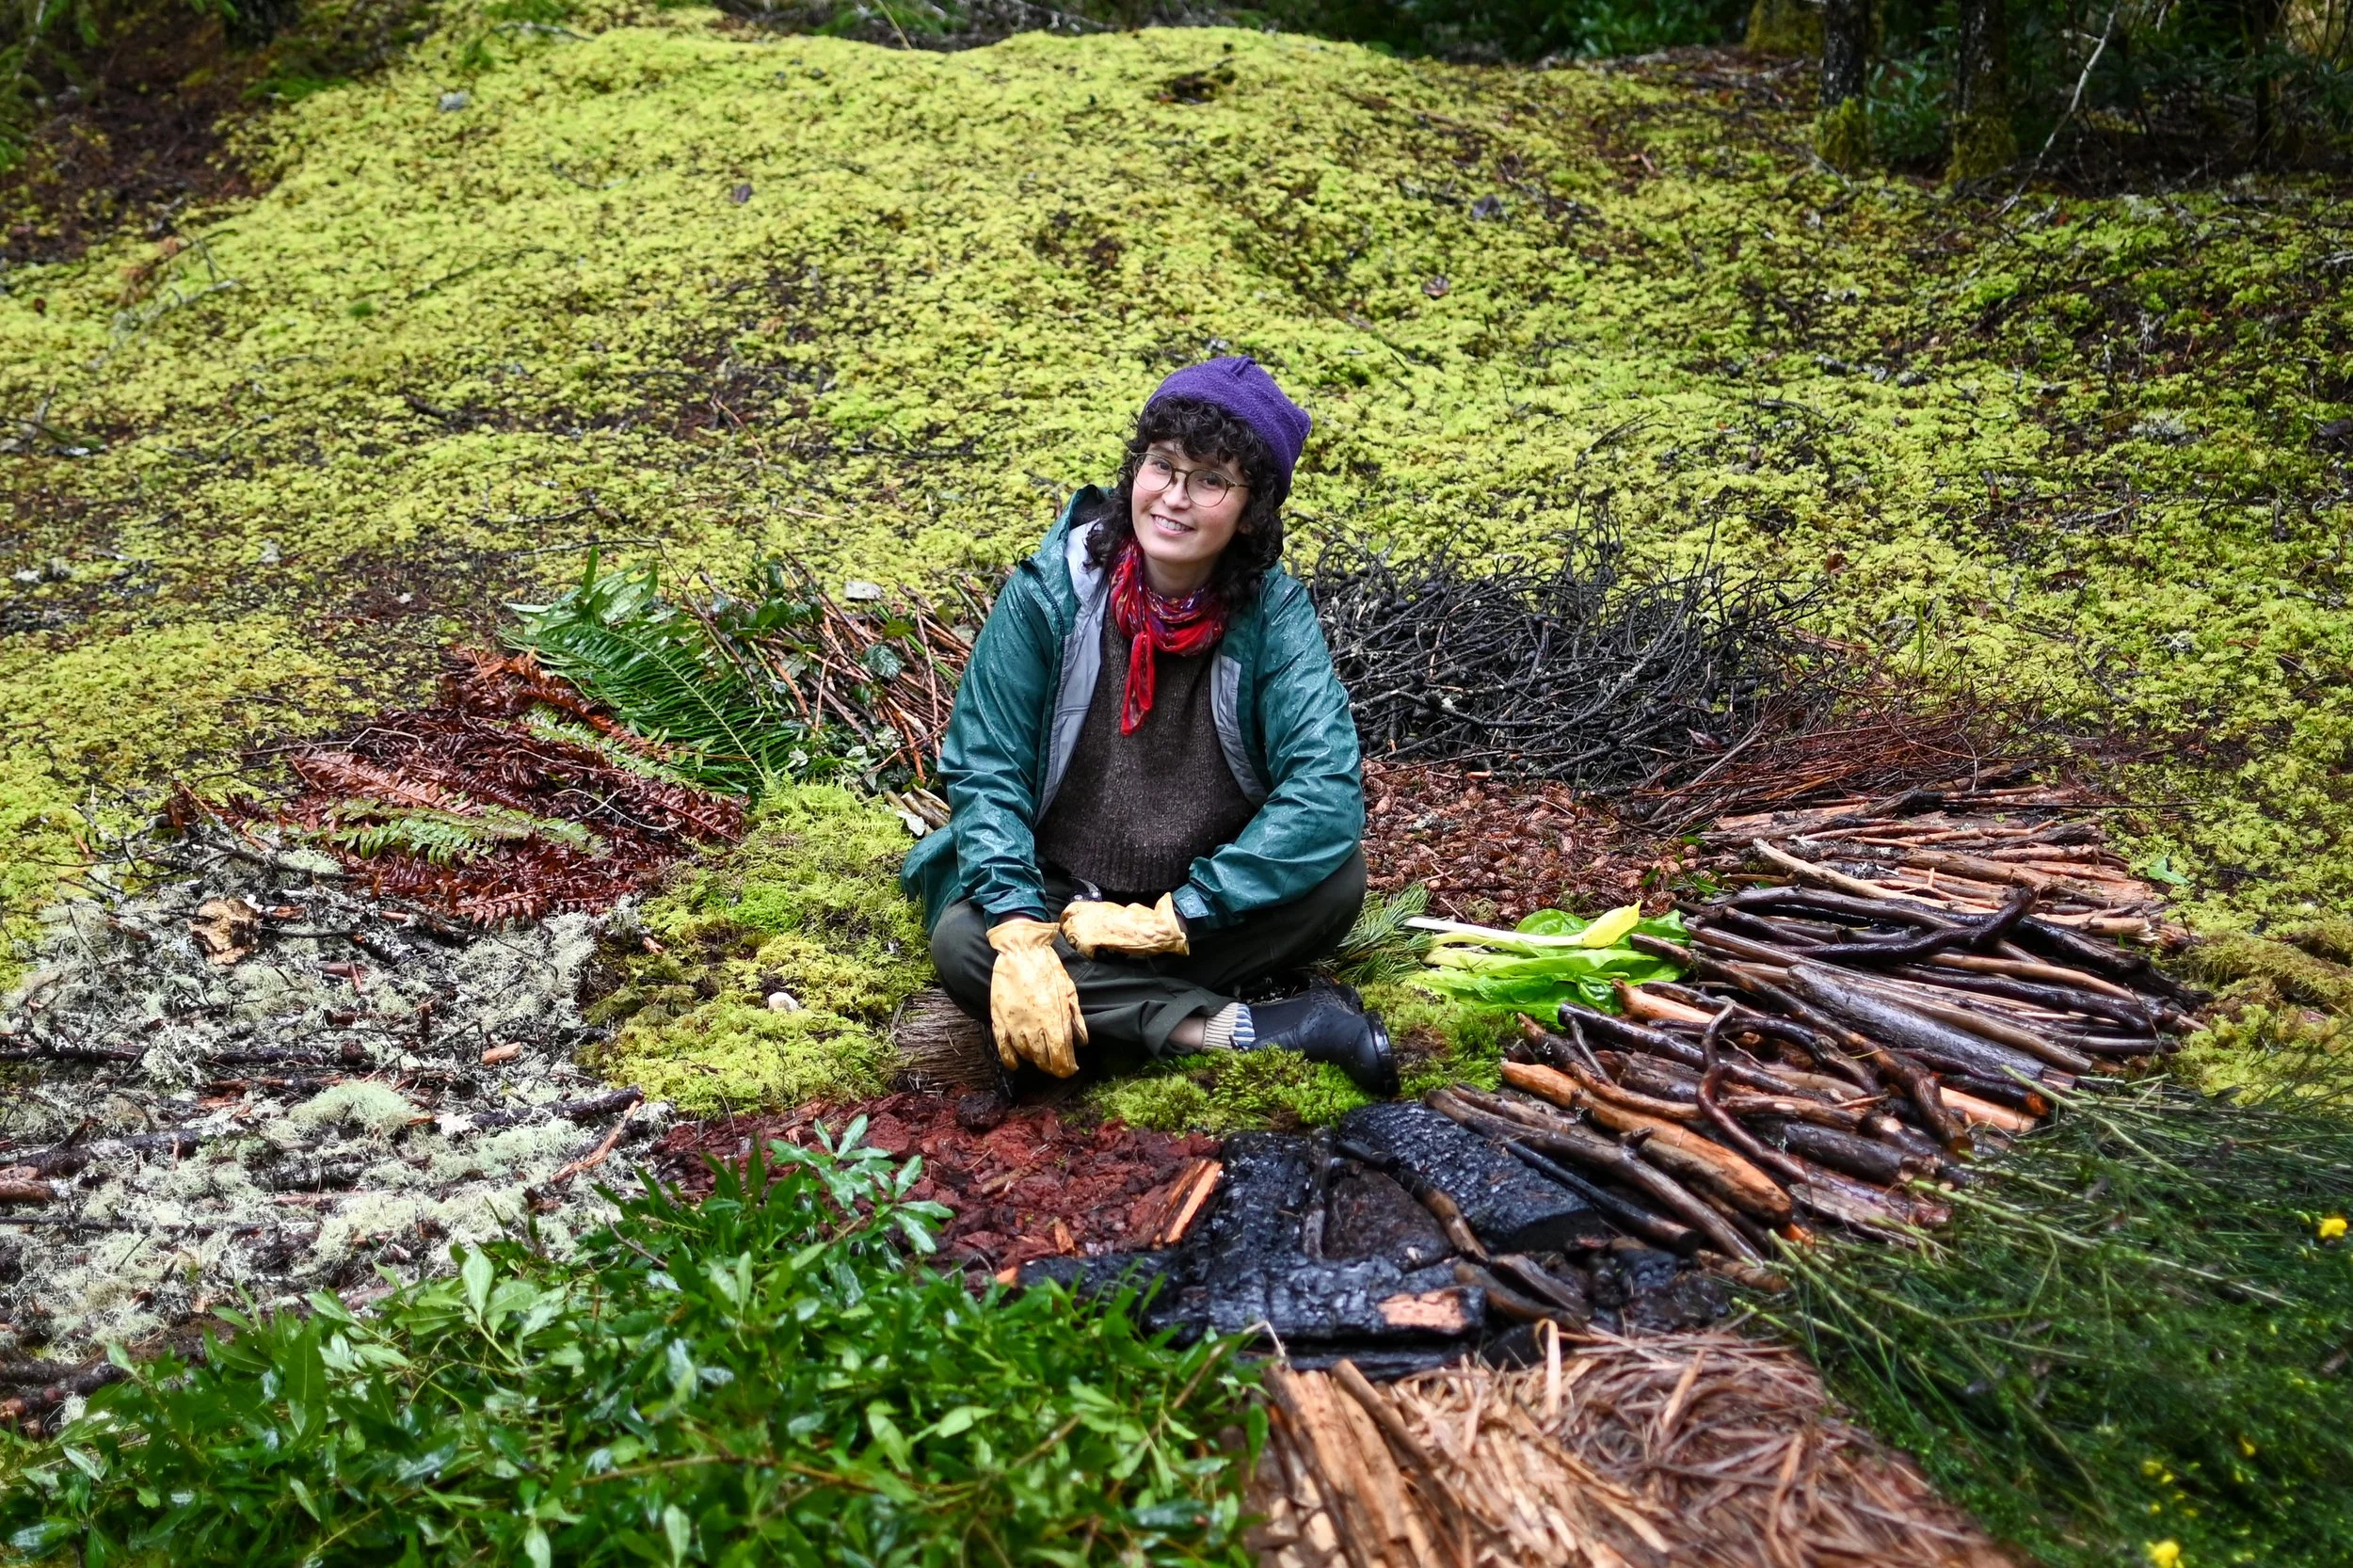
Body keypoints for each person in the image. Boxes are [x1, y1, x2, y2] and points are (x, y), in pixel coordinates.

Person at [901, 357, 1394, 1093]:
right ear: (1136, 469)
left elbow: (1324, 792)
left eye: (1211, 480)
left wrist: (1185, 914)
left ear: (1251, 511)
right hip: (1060, 892)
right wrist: (1020, 932)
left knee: (1335, 883)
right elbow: (986, 766)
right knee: (969, 945)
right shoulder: (1050, 597)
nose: (1175, 498)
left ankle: (1095, 1022)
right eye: (1162, 467)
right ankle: (1241, 1031)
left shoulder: (1274, 619)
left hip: (1194, 905)